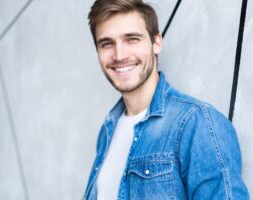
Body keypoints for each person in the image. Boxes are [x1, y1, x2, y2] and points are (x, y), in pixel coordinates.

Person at [83, 0, 249, 199]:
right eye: (107, 43)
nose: (120, 55)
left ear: (156, 43)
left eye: (132, 39)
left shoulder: (196, 122)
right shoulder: (108, 130)